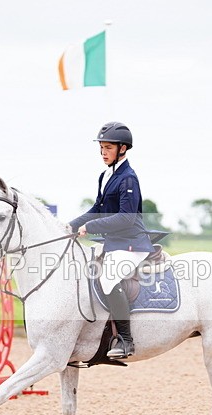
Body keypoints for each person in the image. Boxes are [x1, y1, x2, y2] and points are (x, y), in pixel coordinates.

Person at [68, 121, 154, 358]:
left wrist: (91, 226)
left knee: (107, 279)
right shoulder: (106, 175)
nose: (103, 152)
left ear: (123, 149)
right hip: (114, 242)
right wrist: (70, 225)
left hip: (131, 242)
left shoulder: (128, 178)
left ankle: (126, 340)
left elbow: (126, 218)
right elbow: (97, 207)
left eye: (108, 148)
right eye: (101, 147)